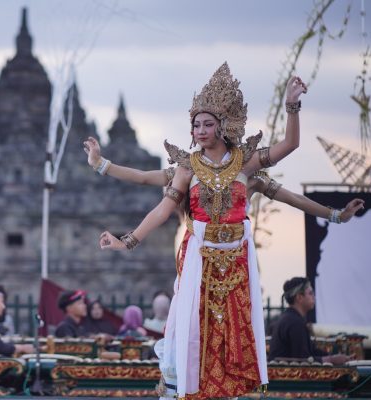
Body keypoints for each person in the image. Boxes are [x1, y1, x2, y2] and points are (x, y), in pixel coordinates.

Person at [95, 63, 307, 398]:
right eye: (195, 125)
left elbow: (290, 146)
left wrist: (292, 106)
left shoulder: (246, 164)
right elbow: (152, 192)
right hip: (200, 257)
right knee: (195, 326)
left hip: (237, 256)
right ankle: (192, 388)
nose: (200, 130)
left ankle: (230, 389)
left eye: (208, 123)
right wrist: (103, 170)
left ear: (223, 126)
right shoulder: (187, 168)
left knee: (236, 329)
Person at [269, 277, 352, 365]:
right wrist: (331, 360)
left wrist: (335, 357)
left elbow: (310, 352)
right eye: (310, 293)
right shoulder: (294, 322)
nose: (314, 297)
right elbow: (302, 361)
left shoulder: (291, 318)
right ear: (299, 297)